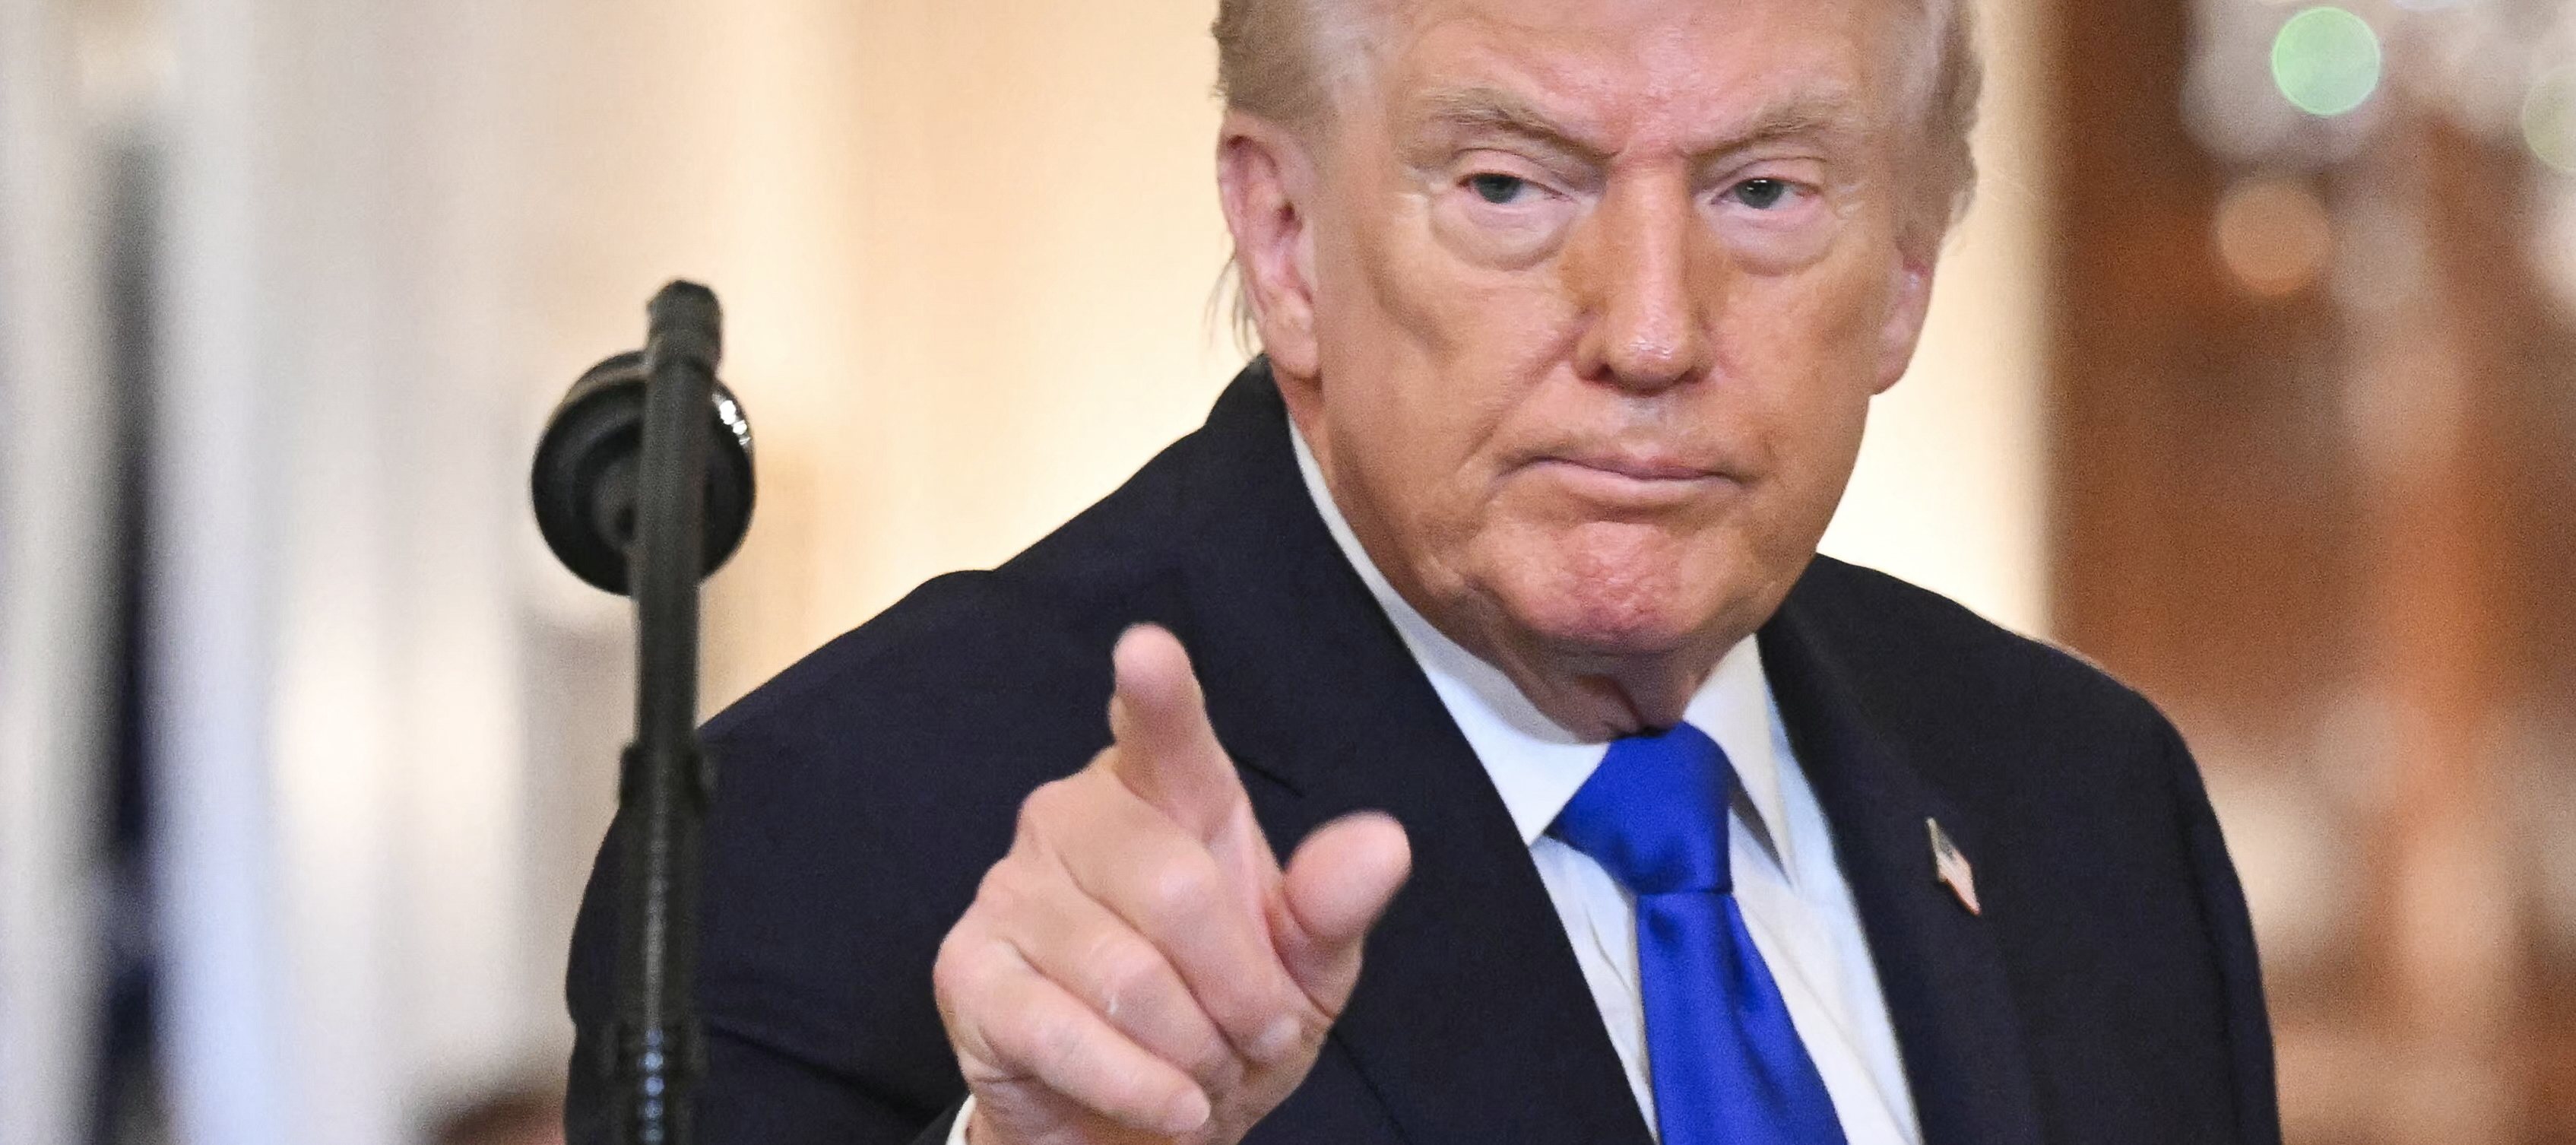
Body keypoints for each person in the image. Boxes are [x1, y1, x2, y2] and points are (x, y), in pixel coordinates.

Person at [565, 0, 2280, 1141]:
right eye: (1511, 187)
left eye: (1766, 191)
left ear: (1907, 267)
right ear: (1288, 240)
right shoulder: (841, 828)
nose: (1653, 329)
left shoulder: (2087, 806)